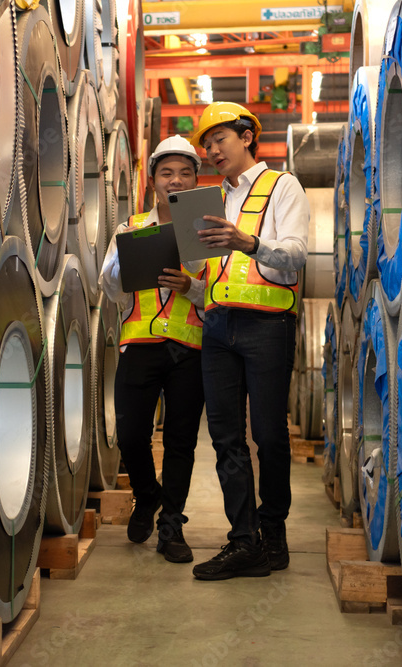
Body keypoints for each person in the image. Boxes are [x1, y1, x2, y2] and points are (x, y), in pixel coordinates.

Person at [185, 102, 309, 580]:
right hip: (217, 327)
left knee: (271, 435)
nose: (213, 150)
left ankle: (273, 533)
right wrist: (190, 286)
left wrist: (250, 242)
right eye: (207, 145)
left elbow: (295, 256)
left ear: (246, 137)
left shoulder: (283, 187)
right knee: (225, 438)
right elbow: (213, 276)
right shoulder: (208, 202)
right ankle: (244, 540)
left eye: (220, 140)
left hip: (266, 327)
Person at [99, 135, 206, 563]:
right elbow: (109, 287)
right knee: (130, 434)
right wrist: (129, 263)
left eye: (184, 173)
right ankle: (147, 496)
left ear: (196, 179)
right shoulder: (131, 228)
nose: (175, 181)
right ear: (153, 181)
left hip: (189, 348)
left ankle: (171, 524)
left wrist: (191, 286)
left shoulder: (207, 227)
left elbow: (217, 292)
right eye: (167, 173)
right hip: (139, 344)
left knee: (181, 441)